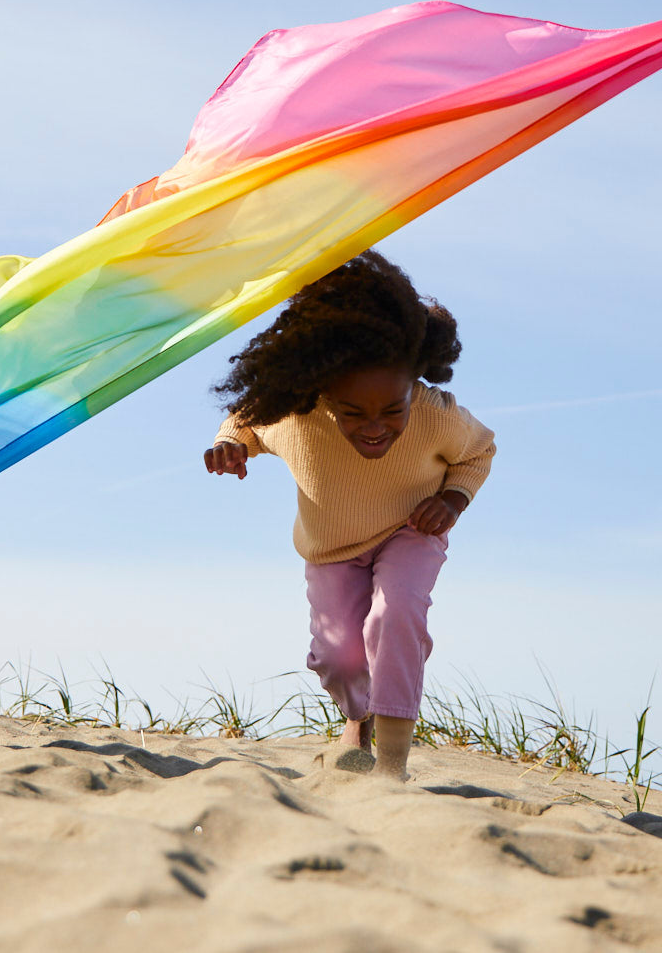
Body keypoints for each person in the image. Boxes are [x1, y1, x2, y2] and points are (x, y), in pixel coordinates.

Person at [204, 250, 495, 779]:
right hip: (331, 547)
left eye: (392, 410)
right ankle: (356, 720)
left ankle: (392, 766)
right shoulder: (295, 413)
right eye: (354, 413)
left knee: (396, 614)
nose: (375, 427)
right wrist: (231, 444)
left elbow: (479, 452)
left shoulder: (436, 414)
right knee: (339, 657)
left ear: (414, 386)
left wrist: (451, 500)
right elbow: (245, 420)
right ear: (323, 394)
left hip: (410, 530)